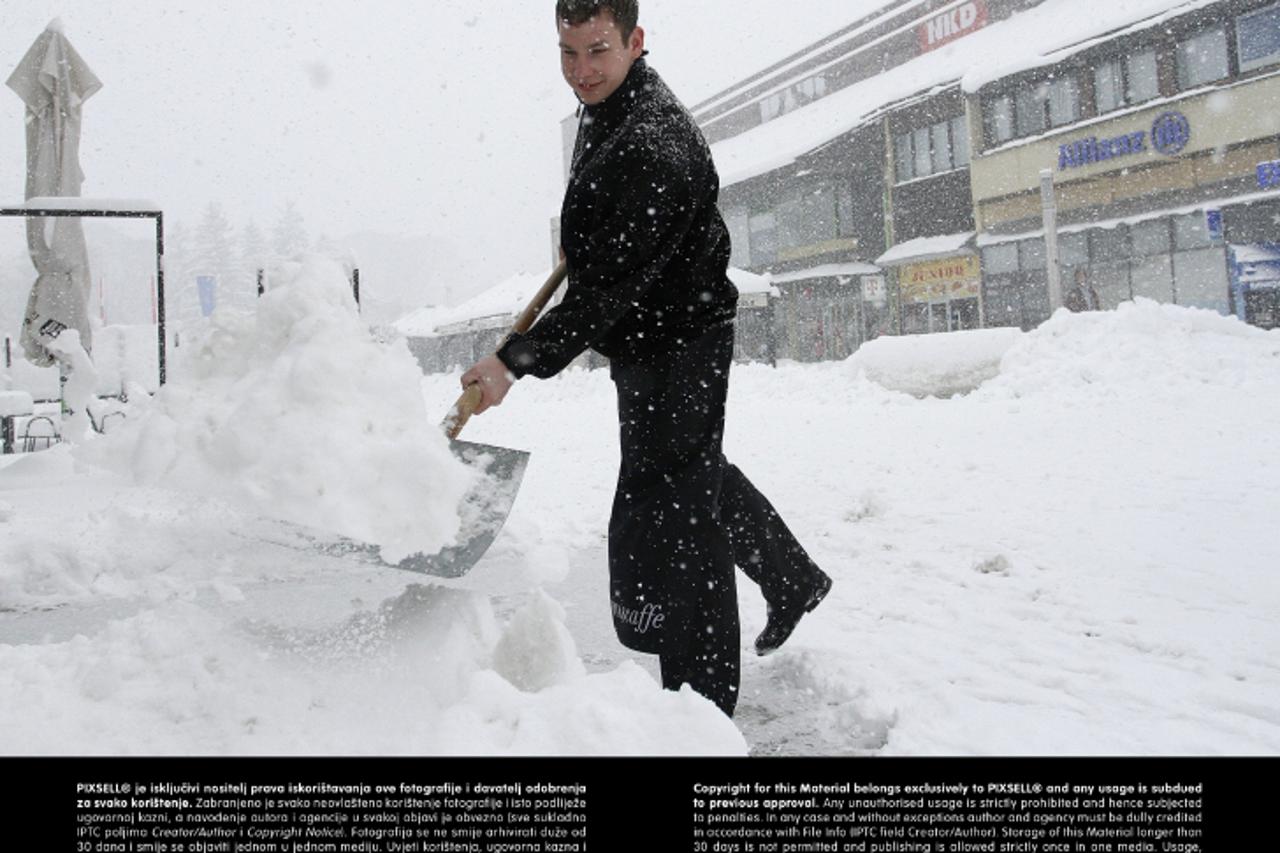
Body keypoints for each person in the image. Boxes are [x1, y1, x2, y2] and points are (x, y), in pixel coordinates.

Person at [461, 0, 831, 718]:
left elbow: (599, 298)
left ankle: (701, 713)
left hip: (680, 336)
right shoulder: (609, 103)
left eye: (597, 51)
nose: (581, 72)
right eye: (568, 54)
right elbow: (605, 262)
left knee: (676, 513)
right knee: (687, 471)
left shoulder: (653, 146)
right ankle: (791, 577)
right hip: (649, 328)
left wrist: (511, 362)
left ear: (636, 40)